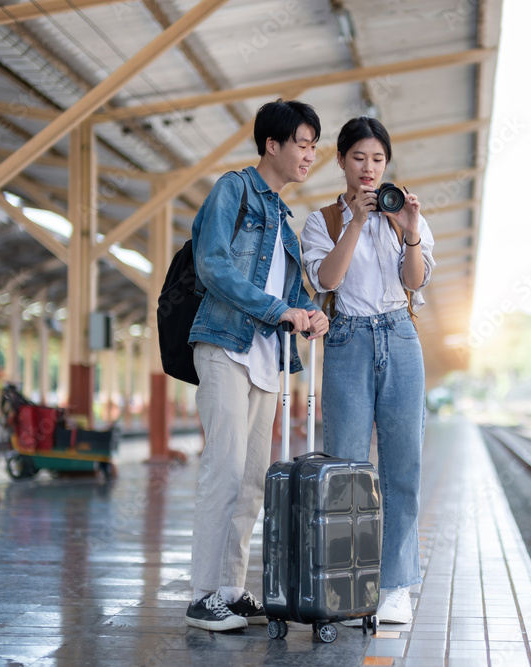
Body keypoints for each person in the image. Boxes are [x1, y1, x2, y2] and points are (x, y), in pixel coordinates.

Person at [185, 99, 329, 632]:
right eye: (303, 143)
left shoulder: (285, 226)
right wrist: (277, 310)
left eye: (314, 145)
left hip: (267, 361)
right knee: (221, 468)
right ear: (272, 143)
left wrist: (310, 313)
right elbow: (213, 264)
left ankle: (230, 587)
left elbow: (294, 293)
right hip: (225, 345)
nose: (310, 154)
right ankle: (201, 594)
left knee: (250, 481)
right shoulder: (234, 190)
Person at [299, 116, 436, 625]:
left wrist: (412, 232)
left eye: (378, 159)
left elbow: (414, 282)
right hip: (349, 339)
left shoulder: (404, 215)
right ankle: (348, 581)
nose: (369, 168)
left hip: (400, 337)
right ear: (340, 160)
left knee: (404, 466)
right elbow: (326, 279)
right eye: (359, 158)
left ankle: (396, 584)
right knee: (347, 470)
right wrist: (356, 221)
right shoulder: (323, 222)